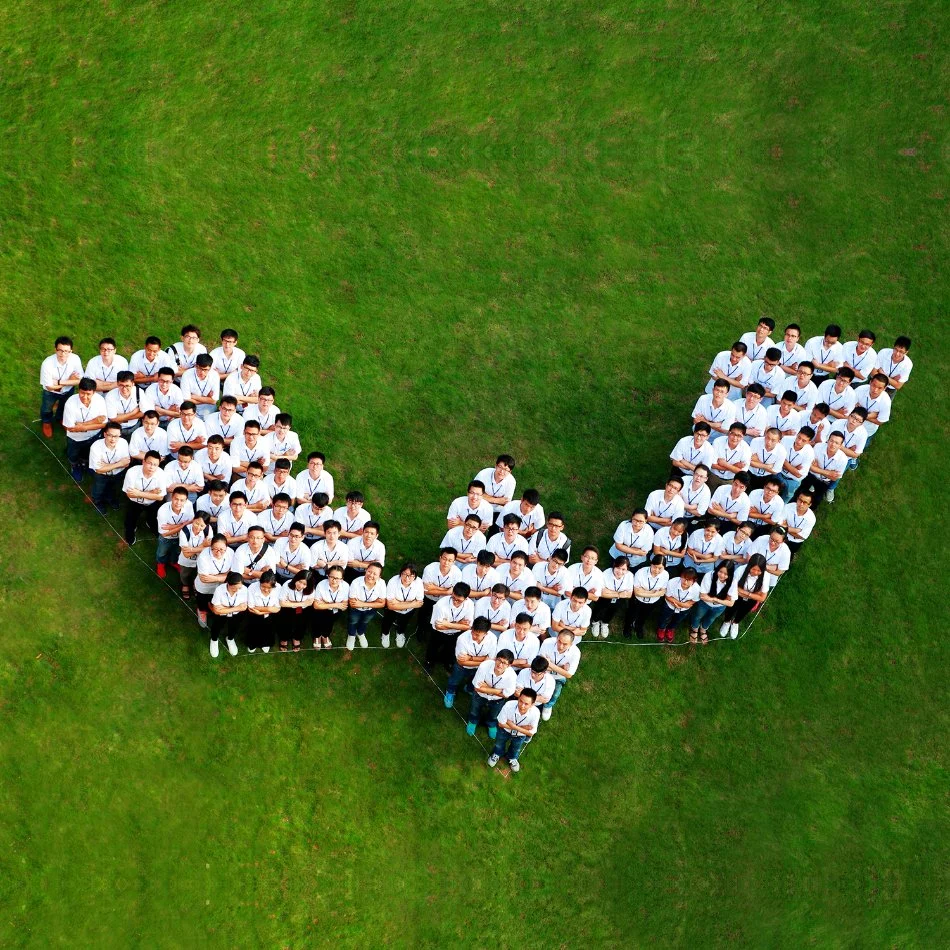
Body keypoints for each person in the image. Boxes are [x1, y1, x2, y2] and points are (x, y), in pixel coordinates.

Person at [444, 617, 498, 708]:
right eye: (473, 632)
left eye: (477, 635)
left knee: (473, 681)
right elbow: (461, 662)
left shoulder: (493, 639)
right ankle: (450, 691)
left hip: (480, 668)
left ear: (485, 633)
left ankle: (468, 688)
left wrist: (470, 657)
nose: (474, 636)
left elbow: (491, 659)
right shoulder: (462, 638)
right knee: (455, 679)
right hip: (463, 667)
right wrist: (483, 660)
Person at [63, 378, 107, 480]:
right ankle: (75, 466)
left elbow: (103, 424)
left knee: (88, 452)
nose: (85, 397)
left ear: (94, 392)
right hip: (75, 438)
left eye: (88, 394)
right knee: (73, 454)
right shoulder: (70, 403)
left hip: (94, 436)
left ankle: (84, 463)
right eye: (82, 393)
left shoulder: (100, 400)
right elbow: (70, 428)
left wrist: (83, 426)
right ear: (78, 390)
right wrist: (95, 421)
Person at [466, 650, 516, 738]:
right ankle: (473, 721)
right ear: (495, 659)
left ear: (509, 665)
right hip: (480, 695)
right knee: (474, 710)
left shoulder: (512, 676)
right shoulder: (485, 666)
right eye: (499, 660)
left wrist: (487, 687)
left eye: (504, 663)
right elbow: (477, 687)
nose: (500, 665)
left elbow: (507, 695)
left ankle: (491, 724)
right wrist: (498, 691)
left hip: (497, 700)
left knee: (494, 715)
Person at [40, 336, 84, 436]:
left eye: (66, 351)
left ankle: (60, 419)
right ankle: (46, 422)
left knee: (65, 406)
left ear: (71, 351)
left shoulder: (75, 359)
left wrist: (60, 382)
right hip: (51, 392)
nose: (63, 354)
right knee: (47, 408)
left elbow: (80, 380)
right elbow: (49, 387)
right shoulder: (47, 364)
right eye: (60, 350)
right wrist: (71, 380)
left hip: (68, 390)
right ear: (55, 349)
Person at [425, 582, 475, 672]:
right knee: (433, 648)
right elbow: (438, 626)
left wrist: (448, 624)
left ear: (466, 598)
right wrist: (459, 624)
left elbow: (468, 627)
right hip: (439, 632)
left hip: (455, 633)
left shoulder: (470, 605)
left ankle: (447, 662)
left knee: (451, 649)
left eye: (459, 600)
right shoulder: (441, 605)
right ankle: (429, 662)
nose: (455, 602)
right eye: (453, 598)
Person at [487, 689, 539, 773]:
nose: (522, 706)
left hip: (520, 735)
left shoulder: (536, 713)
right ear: (518, 698)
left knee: (516, 748)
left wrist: (513, 726)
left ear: (532, 704)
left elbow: (531, 733)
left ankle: (512, 758)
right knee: (499, 744)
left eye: (526, 704)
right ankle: (497, 754)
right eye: (521, 701)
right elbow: (501, 724)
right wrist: (523, 728)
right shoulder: (509, 705)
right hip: (504, 730)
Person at [719, 554, 771, 638]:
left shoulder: (766, 576)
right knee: (730, 609)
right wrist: (755, 594)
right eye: (753, 569)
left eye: (759, 570)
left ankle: (735, 623)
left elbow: (762, 598)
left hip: (750, 600)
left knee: (743, 611)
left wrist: (746, 593)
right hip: (736, 595)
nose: (755, 572)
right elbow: (733, 588)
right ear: (749, 565)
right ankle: (727, 622)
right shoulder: (740, 570)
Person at [122, 450, 166, 545]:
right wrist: (151, 493)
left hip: (152, 502)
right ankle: (131, 531)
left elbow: (160, 497)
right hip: (135, 502)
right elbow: (130, 494)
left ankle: (150, 524)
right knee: (130, 520)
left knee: (154, 518)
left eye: (155, 464)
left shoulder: (161, 474)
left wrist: (139, 493)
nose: (152, 467)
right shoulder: (132, 472)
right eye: (149, 463)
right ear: (143, 461)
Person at [688, 561, 736, 644]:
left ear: (730, 575)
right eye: (720, 572)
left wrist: (715, 600)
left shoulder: (733, 582)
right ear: (717, 569)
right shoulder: (709, 575)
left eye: (726, 574)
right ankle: (694, 630)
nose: (722, 575)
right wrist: (723, 600)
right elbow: (702, 596)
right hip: (704, 603)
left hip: (719, 607)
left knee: (711, 618)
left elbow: (731, 603)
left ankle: (703, 630)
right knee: (697, 616)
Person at [538, 630, 581, 721]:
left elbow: (569, 675)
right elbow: (540, 663)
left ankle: (548, 706)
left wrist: (549, 664)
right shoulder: (547, 642)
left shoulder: (576, 653)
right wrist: (561, 668)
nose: (560, 646)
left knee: (556, 692)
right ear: (557, 638)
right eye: (559, 641)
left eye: (565, 644)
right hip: (544, 672)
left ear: (571, 644)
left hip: (559, 677)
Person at [88, 421, 131, 513]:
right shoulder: (96, 447)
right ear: (105, 434)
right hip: (101, 475)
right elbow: (99, 470)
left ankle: (110, 499)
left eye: (116, 436)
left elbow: (126, 463)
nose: (113, 439)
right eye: (110, 435)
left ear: (120, 435)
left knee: (113, 489)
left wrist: (106, 465)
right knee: (98, 489)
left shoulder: (123, 443)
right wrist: (119, 463)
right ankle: (98, 502)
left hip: (117, 474)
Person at [418, 548, 462, 637]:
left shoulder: (457, 573)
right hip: (429, 598)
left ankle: (434, 630)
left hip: (445, 600)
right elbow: (426, 591)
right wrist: (446, 590)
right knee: (423, 615)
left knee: (440, 617)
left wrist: (434, 587)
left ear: (454, 562)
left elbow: (454, 592)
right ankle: (420, 629)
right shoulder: (430, 569)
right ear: (440, 558)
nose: (446, 563)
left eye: (450, 560)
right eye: (444, 559)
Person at [380, 562, 424, 648]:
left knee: (404, 622)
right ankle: (385, 634)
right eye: (405, 574)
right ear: (401, 573)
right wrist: (412, 603)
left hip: (409, 610)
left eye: (411, 575)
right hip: (393, 610)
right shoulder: (393, 581)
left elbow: (419, 603)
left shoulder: (419, 582)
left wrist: (398, 602)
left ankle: (400, 633)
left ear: (415, 576)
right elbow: (390, 606)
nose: (407, 578)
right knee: (387, 621)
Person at [623, 554, 668, 639]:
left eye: (660, 568)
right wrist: (653, 593)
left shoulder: (665, 575)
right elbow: (636, 592)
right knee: (631, 613)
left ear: (664, 567)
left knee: (644, 615)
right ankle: (627, 627)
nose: (657, 570)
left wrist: (644, 591)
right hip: (638, 599)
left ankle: (638, 626)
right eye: (655, 567)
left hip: (652, 601)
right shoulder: (640, 572)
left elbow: (662, 592)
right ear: (651, 564)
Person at [194, 534, 234, 630]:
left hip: (221, 585)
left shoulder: (231, 553)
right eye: (215, 549)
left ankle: (211, 607)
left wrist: (214, 578)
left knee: (216, 600)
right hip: (204, 587)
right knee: (202, 600)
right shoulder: (204, 556)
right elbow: (204, 579)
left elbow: (232, 573)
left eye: (222, 549)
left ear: (226, 547)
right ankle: (202, 611)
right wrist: (225, 575)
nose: (218, 552)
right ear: (210, 547)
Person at [155, 486, 195, 578]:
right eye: (176, 499)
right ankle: (160, 564)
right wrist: (182, 525)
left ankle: (173, 562)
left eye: (182, 500)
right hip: (166, 538)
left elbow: (191, 522)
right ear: (172, 497)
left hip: (181, 536)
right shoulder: (163, 510)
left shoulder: (189, 505)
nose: (178, 503)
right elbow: (164, 533)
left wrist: (172, 526)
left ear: (186, 500)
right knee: (162, 552)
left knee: (177, 551)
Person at [800, 430, 848, 507]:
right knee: (801, 492)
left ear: (840, 445)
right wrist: (828, 473)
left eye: (837, 443)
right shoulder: (818, 447)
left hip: (824, 481)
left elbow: (835, 478)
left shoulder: (843, 459)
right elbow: (810, 466)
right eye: (831, 441)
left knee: (817, 499)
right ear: (828, 440)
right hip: (811, 475)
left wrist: (818, 468)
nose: (833, 444)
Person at [589, 555, 633, 638]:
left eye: (623, 569)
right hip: (604, 598)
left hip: (618, 600)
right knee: (598, 609)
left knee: (612, 611)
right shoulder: (606, 573)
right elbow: (601, 593)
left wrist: (609, 591)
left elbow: (629, 594)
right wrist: (619, 594)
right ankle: (595, 622)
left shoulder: (630, 576)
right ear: (614, 566)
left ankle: (605, 623)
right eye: (618, 568)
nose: (620, 571)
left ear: (627, 569)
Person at [346, 561, 386, 650]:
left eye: (375, 574)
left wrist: (361, 603)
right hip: (356, 610)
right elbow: (352, 603)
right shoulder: (356, 582)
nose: (371, 575)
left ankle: (360, 633)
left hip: (371, 610)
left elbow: (382, 603)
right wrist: (375, 602)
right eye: (369, 571)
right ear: (366, 571)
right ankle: (351, 635)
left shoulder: (382, 583)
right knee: (353, 622)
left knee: (365, 622)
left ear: (379, 576)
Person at [654, 567, 701, 642]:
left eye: (689, 580)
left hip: (684, 609)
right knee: (664, 618)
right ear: (680, 576)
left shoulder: (697, 589)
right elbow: (667, 596)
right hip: (669, 605)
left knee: (677, 620)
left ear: (694, 581)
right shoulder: (672, 582)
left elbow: (693, 600)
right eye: (684, 578)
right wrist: (682, 604)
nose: (685, 582)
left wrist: (684, 606)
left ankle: (670, 629)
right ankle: (661, 629)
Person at [208, 571, 247, 658]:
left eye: (239, 588)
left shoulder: (244, 589)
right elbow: (216, 611)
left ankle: (230, 639)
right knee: (217, 626)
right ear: (228, 584)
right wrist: (237, 608)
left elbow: (244, 607)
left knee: (235, 626)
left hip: (236, 614)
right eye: (234, 588)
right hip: (222, 615)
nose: (237, 590)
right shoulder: (219, 590)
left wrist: (224, 608)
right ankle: (214, 640)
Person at [311, 564, 350, 649]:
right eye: (331, 577)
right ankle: (317, 636)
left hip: (334, 610)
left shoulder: (346, 586)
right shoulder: (321, 585)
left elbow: (344, 606)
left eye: (337, 578)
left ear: (342, 579)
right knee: (317, 621)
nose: (334, 580)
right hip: (321, 610)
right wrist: (336, 604)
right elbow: (316, 606)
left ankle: (325, 636)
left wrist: (325, 603)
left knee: (329, 623)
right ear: (327, 576)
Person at [177, 513, 212, 602]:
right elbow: (186, 555)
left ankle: (195, 585)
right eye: (196, 523)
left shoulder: (208, 530)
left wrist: (191, 549)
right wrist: (202, 545)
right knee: (184, 574)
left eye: (202, 525)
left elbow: (209, 548)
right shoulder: (184, 531)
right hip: (187, 560)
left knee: (198, 573)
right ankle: (185, 585)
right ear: (193, 519)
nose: (198, 527)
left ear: (206, 525)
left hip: (201, 559)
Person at [278, 570, 315, 652]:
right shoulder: (287, 585)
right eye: (299, 581)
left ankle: (296, 638)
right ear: (296, 578)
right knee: (285, 624)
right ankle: (284, 639)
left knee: (301, 624)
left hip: (303, 610)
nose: (301, 585)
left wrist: (291, 603)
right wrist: (301, 603)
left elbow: (310, 602)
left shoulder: (311, 589)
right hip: (288, 609)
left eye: (304, 584)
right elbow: (282, 603)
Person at [245, 571, 281, 653]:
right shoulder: (252, 587)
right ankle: (252, 644)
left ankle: (266, 643)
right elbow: (251, 607)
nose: (266, 590)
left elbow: (278, 608)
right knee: (254, 629)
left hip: (270, 614)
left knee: (269, 629)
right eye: (263, 586)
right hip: (254, 614)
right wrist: (269, 609)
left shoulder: (278, 587)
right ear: (259, 582)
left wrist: (265, 610)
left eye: (269, 588)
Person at [777, 425, 816, 502]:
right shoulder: (786, 440)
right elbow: (775, 458)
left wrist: (783, 461)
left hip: (793, 480)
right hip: (778, 472)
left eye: (804, 440)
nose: (799, 442)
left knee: (787, 497)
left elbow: (798, 474)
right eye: (799, 437)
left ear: (809, 442)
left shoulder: (810, 453)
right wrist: (793, 468)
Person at [709, 422, 751, 490]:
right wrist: (734, 466)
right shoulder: (718, 442)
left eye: (739, 435)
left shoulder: (746, 449)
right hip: (714, 476)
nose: (735, 438)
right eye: (732, 434)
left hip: (731, 480)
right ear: (728, 433)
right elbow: (712, 465)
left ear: (743, 437)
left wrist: (725, 464)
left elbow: (742, 473)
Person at [178, 353, 220, 419]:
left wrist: (193, 396)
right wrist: (207, 399)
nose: (202, 372)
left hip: (208, 407)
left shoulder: (214, 375)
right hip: (191, 406)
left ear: (210, 368)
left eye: (205, 370)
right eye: (200, 368)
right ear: (196, 366)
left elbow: (214, 401)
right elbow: (186, 400)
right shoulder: (187, 375)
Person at [831, 406, 869, 476]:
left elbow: (856, 454)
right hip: (831, 452)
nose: (854, 421)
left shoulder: (863, 434)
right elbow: (828, 441)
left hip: (846, 459)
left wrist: (838, 446)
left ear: (861, 423)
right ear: (849, 415)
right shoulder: (837, 423)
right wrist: (848, 451)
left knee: (836, 477)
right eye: (853, 417)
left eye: (858, 420)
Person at [104, 370, 143, 436]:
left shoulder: (139, 392)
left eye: (127, 386)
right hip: (116, 429)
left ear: (133, 384)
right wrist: (133, 413)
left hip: (135, 426)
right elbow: (113, 418)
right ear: (117, 384)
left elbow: (144, 412)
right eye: (121, 385)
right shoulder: (110, 396)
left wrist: (120, 418)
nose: (124, 389)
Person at [855, 373, 892, 442]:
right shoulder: (860, 390)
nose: (875, 390)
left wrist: (860, 413)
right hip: (852, 424)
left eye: (879, 388)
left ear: (885, 388)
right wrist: (870, 416)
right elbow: (849, 408)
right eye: (874, 385)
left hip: (867, 430)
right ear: (870, 382)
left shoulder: (886, 402)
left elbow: (880, 421)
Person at [781, 491, 815, 558]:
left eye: (805, 502)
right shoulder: (789, 506)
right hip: (782, 535)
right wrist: (796, 530)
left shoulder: (811, 518)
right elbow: (779, 523)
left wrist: (786, 528)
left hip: (795, 542)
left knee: (788, 556)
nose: (801, 504)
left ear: (809, 504)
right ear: (797, 499)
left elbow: (802, 536)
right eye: (800, 500)